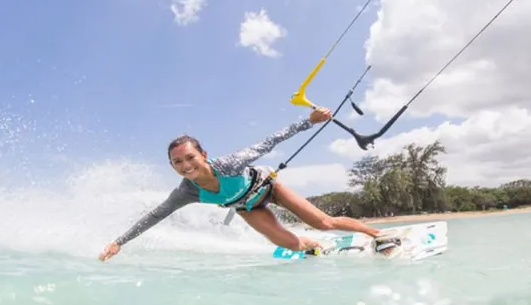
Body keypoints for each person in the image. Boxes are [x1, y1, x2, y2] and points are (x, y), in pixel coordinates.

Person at [97, 107, 399, 261]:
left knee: (323, 221)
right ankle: (314, 248)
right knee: (289, 244)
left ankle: (377, 234)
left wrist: (309, 121)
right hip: (246, 206)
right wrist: (119, 242)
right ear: (172, 166)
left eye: (190, 157)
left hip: (268, 186)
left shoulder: (229, 163)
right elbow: (155, 215)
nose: (185, 166)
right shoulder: (186, 192)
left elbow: (269, 141)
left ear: (203, 155)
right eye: (177, 162)